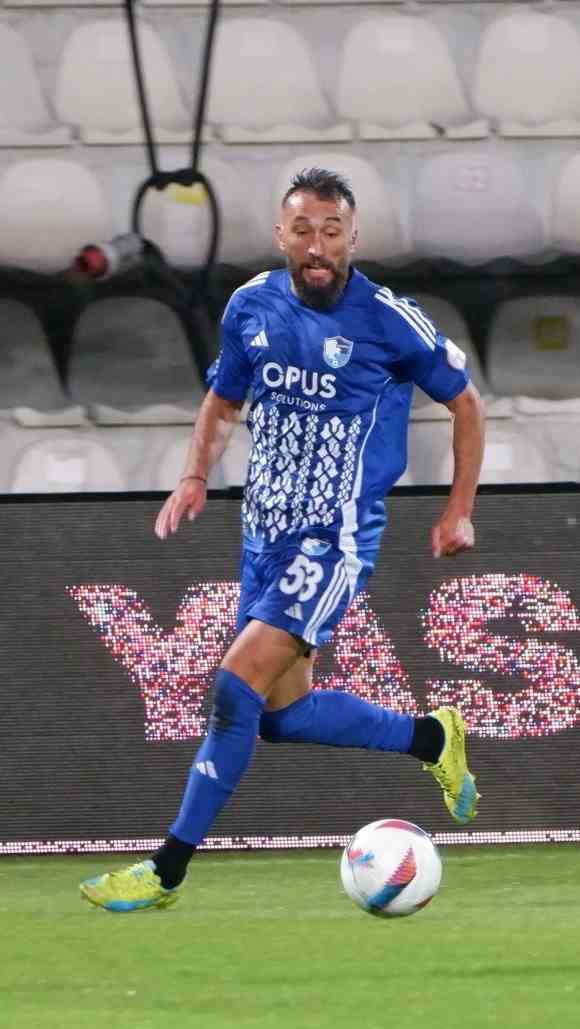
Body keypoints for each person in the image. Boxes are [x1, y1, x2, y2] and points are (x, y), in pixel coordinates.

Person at [80, 167, 486, 912]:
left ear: (353, 238)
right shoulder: (250, 305)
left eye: (332, 231)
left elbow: (464, 403)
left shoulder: (390, 320)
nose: (318, 245)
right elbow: (224, 397)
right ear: (281, 235)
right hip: (262, 535)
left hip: (333, 539)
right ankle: (433, 739)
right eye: (303, 230)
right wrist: (194, 474)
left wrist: (458, 509)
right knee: (280, 715)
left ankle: (166, 869)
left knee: (233, 688)